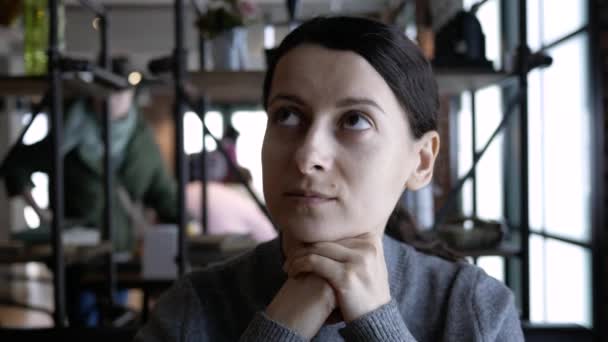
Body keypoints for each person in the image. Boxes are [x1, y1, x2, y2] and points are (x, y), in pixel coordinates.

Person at [134, 16, 524, 341]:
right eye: (287, 115)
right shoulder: (193, 309)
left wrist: (377, 323)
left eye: (355, 120)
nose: (307, 157)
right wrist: (283, 325)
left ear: (421, 161)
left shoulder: (473, 309)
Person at [0, 57, 179, 326]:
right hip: (78, 256)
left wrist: (189, 222)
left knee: (116, 322)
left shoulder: (142, 141)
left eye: (120, 93)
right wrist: (43, 216)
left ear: (131, 95)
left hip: (121, 253)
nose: (111, 100)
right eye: (105, 91)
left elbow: (163, 193)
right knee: (83, 324)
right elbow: (16, 166)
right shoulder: (68, 130)